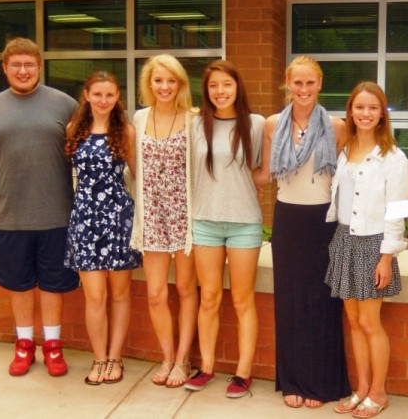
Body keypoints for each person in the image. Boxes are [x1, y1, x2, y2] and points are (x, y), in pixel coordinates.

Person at [0, 37, 79, 377]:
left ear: (39, 66)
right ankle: (25, 344)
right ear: (5, 68)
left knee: (55, 284)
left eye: (29, 64)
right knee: (20, 284)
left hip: (58, 216)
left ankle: (53, 346)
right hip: (10, 218)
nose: (23, 71)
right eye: (16, 65)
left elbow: (92, 147)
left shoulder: (64, 104)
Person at [253, 55, 351, 408]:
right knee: (291, 302)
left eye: (310, 83)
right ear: (287, 83)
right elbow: (265, 175)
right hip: (288, 222)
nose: (304, 89)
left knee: (324, 303)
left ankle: (321, 383)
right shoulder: (271, 124)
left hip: (325, 222)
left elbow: (347, 178)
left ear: (320, 83)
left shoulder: (338, 126)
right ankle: (293, 380)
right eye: (298, 83)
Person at [325, 81, 408, 418]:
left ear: (382, 114)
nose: (365, 113)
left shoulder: (393, 157)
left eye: (373, 108)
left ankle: (379, 392)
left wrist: (386, 256)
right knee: (354, 322)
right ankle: (361, 388)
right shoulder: (344, 151)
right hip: (345, 239)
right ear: (350, 111)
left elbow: (396, 210)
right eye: (359, 107)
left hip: (374, 244)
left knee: (371, 323)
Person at [183, 59, 264, 398]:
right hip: (205, 222)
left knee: (243, 300)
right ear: (207, 90)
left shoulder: (256, 124)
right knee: (210, 298)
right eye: (214, 86)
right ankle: (207, 366)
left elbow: (260, 169)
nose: (220, 91)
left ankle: (243, 372)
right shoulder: (195, 124)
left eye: (226, 85)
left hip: (244, 222)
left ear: (237, 87)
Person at [64, 71, 142, 385]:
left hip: (119, 216)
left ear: (117, 98)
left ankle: (115, 357)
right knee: (94, 296)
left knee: (120, 294)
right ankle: (98, 358)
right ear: (86, 95)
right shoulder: (73, 130)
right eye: (97, 94)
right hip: (85, 218)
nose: (103, 101)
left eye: (109, 95)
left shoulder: (126, 131)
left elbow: (137, 177)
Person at [130, 54, 199, 388]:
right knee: (156, 293)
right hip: (152, 215)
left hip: (185, 215)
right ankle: (167, 356)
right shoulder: (139, 119)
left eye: (171, 80)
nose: (165, 86)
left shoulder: (194, 119)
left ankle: (183, 360)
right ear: (149, 83)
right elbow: (131, 168)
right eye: (159, 80)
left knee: (186, 288)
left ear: (181, 84)